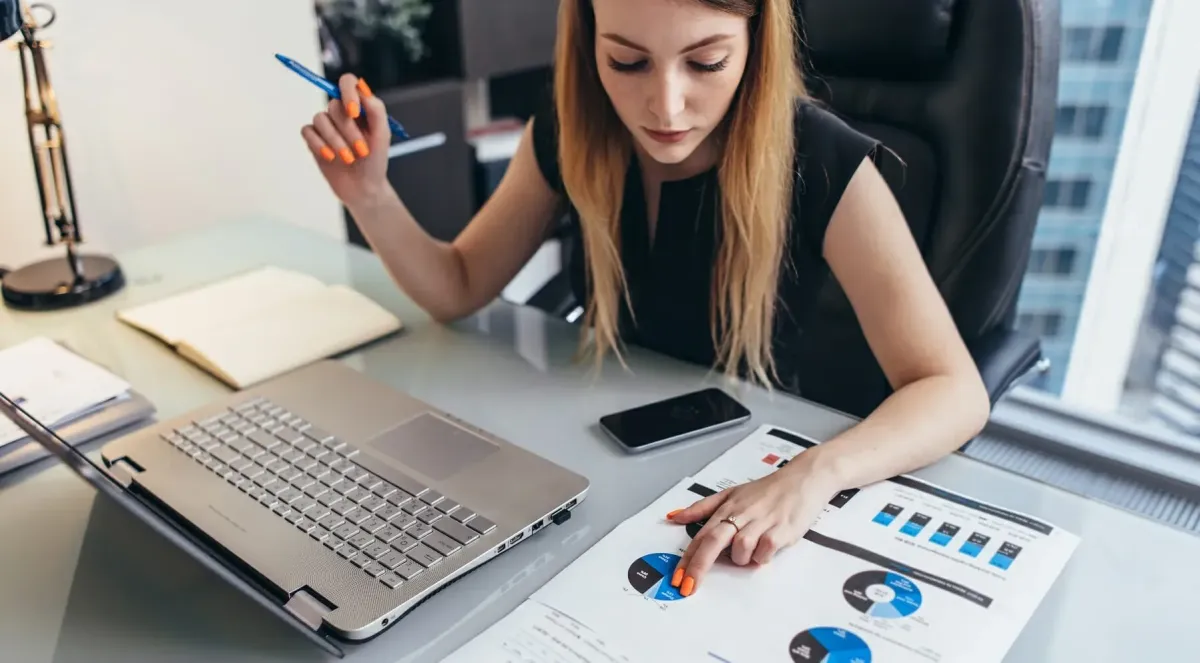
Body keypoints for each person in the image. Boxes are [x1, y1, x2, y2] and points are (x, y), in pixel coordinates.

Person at [299, 0, 990, 598]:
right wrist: (371, 196)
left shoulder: (826, 159)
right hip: (593, 459)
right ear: (587, 41)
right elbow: (457, 287)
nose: (664, 107)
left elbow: (955, 389)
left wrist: (815, 475)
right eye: (627, 62)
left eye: (706, 62)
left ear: (755, 44)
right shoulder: (571, 128)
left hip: (742, 481)